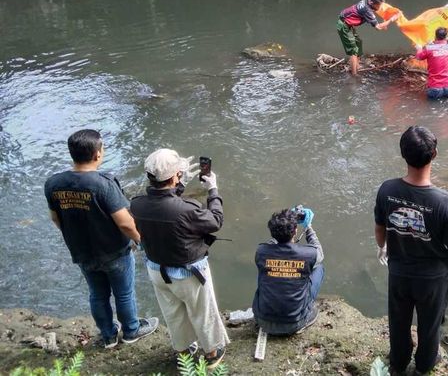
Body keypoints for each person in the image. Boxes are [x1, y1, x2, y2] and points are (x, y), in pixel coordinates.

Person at [44, 129, 158, 349]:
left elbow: (56, 219)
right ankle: (131, 331)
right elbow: (124, 222)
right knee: (123, 293)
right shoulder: (103, 183)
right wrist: (142, 242)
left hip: (82, 251)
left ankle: (108, 335)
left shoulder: (53, 183)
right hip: (114, 251)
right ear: (97, 154)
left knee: (97, 294)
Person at [374, 126, 448, 375]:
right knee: (429, 326)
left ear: (402, 154)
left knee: (399, 323)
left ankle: (397, 364)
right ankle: (423, 367)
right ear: (435, 154)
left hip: (399, 273)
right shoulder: (444, 201)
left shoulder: (387, 190)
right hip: (432, 279)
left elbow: (380, 226)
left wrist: (382, 246)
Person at [130, 148, 229, 369]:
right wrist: (213, 189)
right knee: (203, 313)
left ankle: (183, 351)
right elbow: (215, 220)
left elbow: (162, 210)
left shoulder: (136, 204)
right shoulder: (187, 210)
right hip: (188, 273)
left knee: (172, 313)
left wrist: (177, 189)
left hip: (157, 270)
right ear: (175, 176)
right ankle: (212, 353)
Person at [252, 206, 325, 335]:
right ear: (295, 231)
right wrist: (308, 227)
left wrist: (280, 230)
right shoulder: (309, 254)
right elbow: (319, 252)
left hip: (262, 321)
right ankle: (304, 318)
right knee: (319, 268)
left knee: (264, 272)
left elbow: (271, 243)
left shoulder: (261, 252)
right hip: (295, 323)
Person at [337, 0, 397, 75]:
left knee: (358, 42)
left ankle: (357, 65)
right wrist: (391, 20)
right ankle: (354, 74)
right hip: (344, 25)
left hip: (349, 24)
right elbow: (378, 28)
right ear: (374, 3)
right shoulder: (366, 10)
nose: (380, 7)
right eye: (379, 5)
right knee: (353, 50)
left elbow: (376, 13)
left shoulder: (368, 2)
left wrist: (385, 20)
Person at [415, 27, 448, 100]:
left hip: (435, 87)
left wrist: (419, 49)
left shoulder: (429, 49)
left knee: (431, 109)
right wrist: (432, 44)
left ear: (435, 37)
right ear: (447, 37)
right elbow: (441, 49)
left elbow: (419, 57)